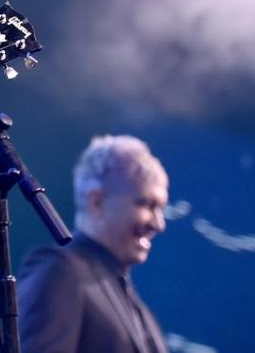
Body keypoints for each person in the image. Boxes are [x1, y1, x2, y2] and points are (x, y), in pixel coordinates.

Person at [17, 135, 169, 353]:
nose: (158, 224)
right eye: (146, 204)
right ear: (96, 201)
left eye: (161, 209)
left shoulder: (135, 305)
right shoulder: (60, 272)